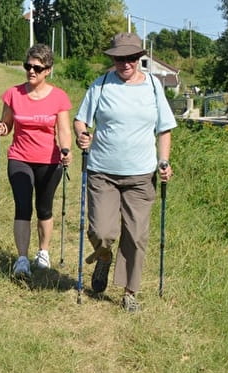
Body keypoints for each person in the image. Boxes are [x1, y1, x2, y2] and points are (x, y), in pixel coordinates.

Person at [74, 32, 176, 312]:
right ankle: (104, 256)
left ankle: (130, 291)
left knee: (135, 234)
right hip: (102, 171)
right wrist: (82, 135)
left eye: (130, 58)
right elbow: (81, 120)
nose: (125, 63)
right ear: (114, 59)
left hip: (141, 175)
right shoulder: (101, 85)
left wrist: (163, 161)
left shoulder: (154, 87)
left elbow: (164, 128)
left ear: (139, 58)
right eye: (119, 58)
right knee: (102, 231)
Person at [0, 43, 73, 278]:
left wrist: (66, 149)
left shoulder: (59, 97)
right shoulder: (13, 94)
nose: (31, 71)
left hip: (49, 160)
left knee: (44, 208)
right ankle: (22, 259)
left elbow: (64, 130)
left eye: (37, 67)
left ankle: (43, 252)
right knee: (23, 206)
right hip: (20, 158)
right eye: (28, 66)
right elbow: (6, 125)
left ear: (48, 70)